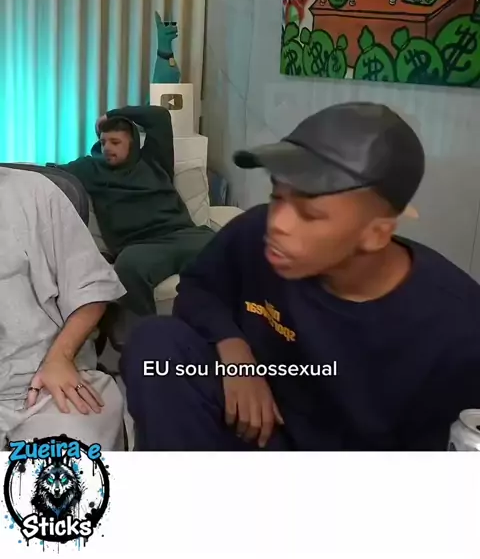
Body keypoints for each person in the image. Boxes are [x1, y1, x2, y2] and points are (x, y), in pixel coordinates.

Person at [121, 102, 480, 451]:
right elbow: (200, 288)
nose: (278, 223)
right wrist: (235, 352)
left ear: (376, 233)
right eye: (277, 196)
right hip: (257, 425)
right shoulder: (254, 232)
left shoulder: (456, 330)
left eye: (310, 214)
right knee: (156, 344)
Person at [0, 166, 126, 451]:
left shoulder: (35, 192)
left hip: (46, 378)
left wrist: (61, 357)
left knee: (65, 467)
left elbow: (92, 286)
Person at [60, 105, 213, 317]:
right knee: (127, 268)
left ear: (132, 143)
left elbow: (159, 116)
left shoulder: (154, 159)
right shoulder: (90, 168)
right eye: (103, 142)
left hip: (183, 235)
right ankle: (144, 331)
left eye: (115, 142)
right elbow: (51, 173)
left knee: (227, 246)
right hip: (140, 247)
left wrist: (112, 114)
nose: (107, 148)